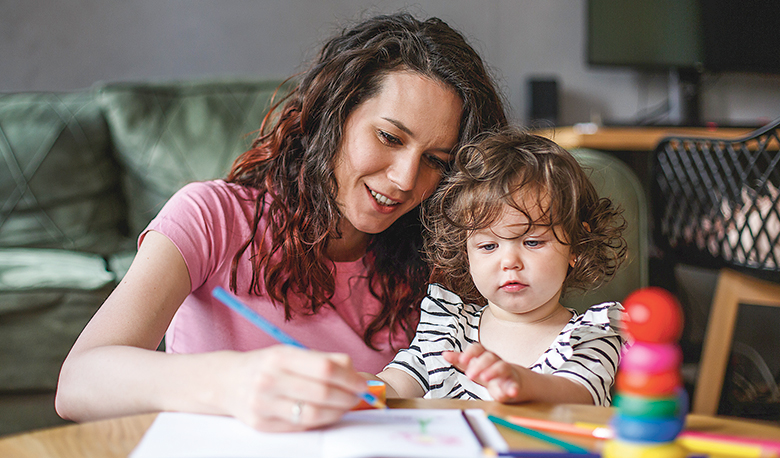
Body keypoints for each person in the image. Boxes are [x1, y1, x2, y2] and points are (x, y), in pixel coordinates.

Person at [55, 12, 507, 432]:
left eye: (434, 160)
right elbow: (79, 382)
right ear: (333, 113)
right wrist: (234, 381)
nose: (406, 179)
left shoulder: (435, 256)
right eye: (389, 137)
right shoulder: (212, 216)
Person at [375, 128, 627, 406]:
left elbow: (577, 396)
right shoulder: (448, 329)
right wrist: (357, 387)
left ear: (576, 245)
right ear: (466, 253)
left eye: (532, 242)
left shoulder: (590, 335)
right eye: (488, 246)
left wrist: (521, 383)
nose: (509, 262)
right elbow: (396, 384)